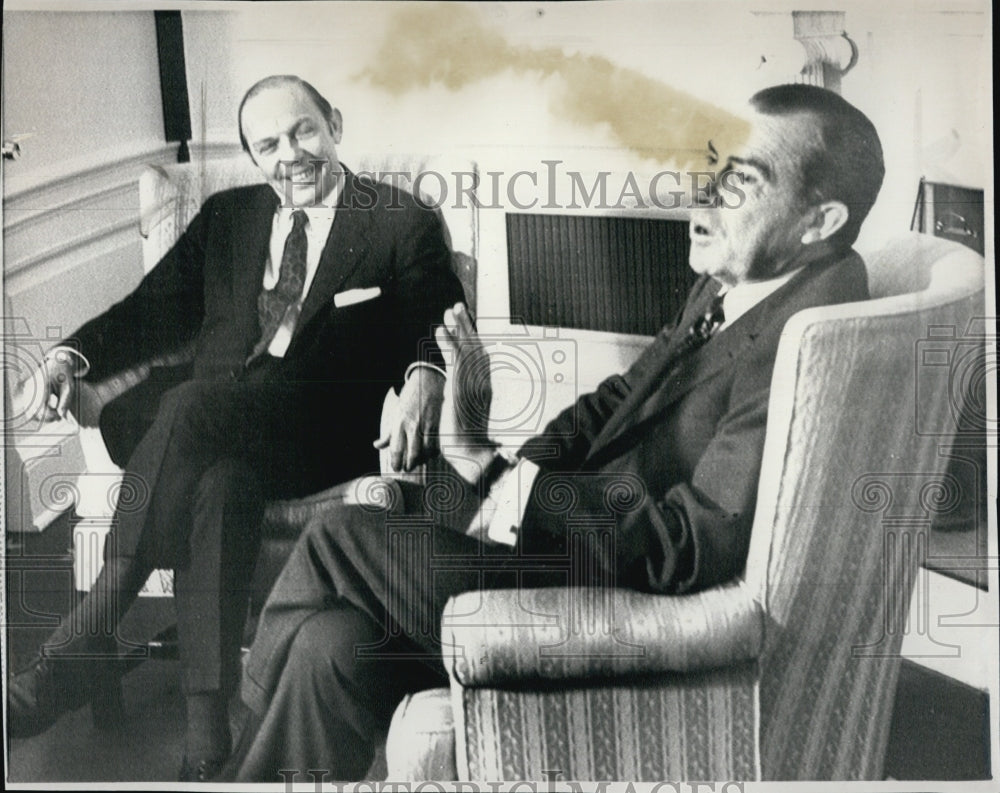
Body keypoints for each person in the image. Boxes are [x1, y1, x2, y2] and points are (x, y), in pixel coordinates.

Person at [220, 83, 886, 782]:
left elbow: (688, 549)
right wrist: (496, 479)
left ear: (820, 219)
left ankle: (244, 713)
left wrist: (490, 471)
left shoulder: (808, 340)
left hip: (615, 598)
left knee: (339, 533)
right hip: (573, 543)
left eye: (739, 181)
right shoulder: (737, 283)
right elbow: (614, 402)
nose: (700, 193)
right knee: (333, 643)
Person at [7, 74, 465, 780]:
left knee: (188, 409)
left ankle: (82, 638)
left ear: (334, 123)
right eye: (268, 144)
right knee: (221, 484)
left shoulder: (397, 219)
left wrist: (424, 376)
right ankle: (206, 726)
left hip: (313, 428)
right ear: (253, 157)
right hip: (207, 430)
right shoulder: (229, 217)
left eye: (303, 131)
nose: (291, 154)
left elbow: (434, 318)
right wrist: (71, 353)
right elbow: (147, 309)